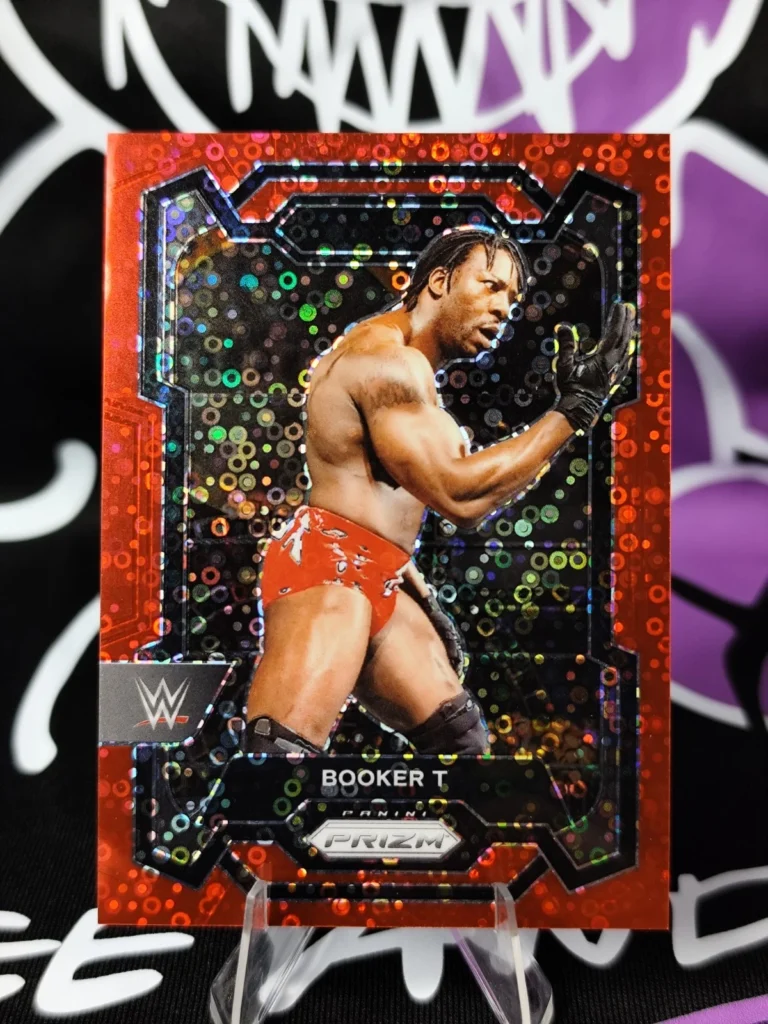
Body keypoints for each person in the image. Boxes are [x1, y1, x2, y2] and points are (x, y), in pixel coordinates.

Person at [244, 227, 636, 757]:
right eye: (490, 286)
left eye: (511, 298)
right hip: (328, 571)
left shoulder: (407, 368)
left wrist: (419, 591)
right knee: (277, 759)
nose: (503, 309)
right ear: (438, 282)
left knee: (461, 742)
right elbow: (459, 496)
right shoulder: (388, 363)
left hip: (376, 569)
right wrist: (573, 411)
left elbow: (375, 501)